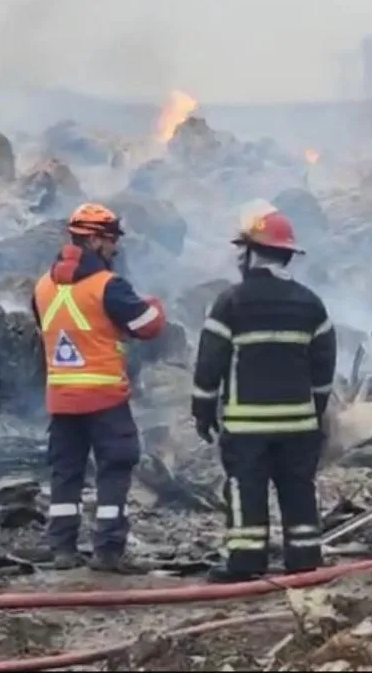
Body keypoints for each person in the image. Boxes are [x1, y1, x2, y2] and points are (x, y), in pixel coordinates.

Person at [191, 200, 337, 582]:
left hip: (247, 426)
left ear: (251, 253)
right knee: (298, 490)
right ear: (287, 255)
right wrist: (316, 407)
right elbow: (324, 364)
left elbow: (210, 361)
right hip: (299, 424)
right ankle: (305, 559)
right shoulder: (310, 304)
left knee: (247, 488)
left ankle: (246, 562)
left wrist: (203, 409)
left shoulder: (230, 302)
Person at [31, 203, 167, 574]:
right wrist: (155, 304)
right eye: (110, 240)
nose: (114, 247)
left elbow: (49, 327)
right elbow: (148, 325)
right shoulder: (108, 286)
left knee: (66, 472)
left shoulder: (42, 286)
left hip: (61, 399)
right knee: (115, 468)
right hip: (104, 398)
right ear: (93, 240)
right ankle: (108, 551)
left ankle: (62, 548)